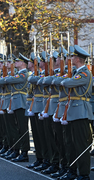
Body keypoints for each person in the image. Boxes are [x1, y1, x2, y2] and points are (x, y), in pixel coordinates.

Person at [59, 45, 93, 180]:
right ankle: (72, 170)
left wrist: (64, 80)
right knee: (71, 144)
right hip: (72, 110)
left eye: (72, 56)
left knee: (81, 144)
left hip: (81, 111)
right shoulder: (75, 72)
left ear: (78, 59)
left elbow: (68, 83)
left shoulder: (84, 73)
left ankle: (84, 174)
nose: (70, 58)